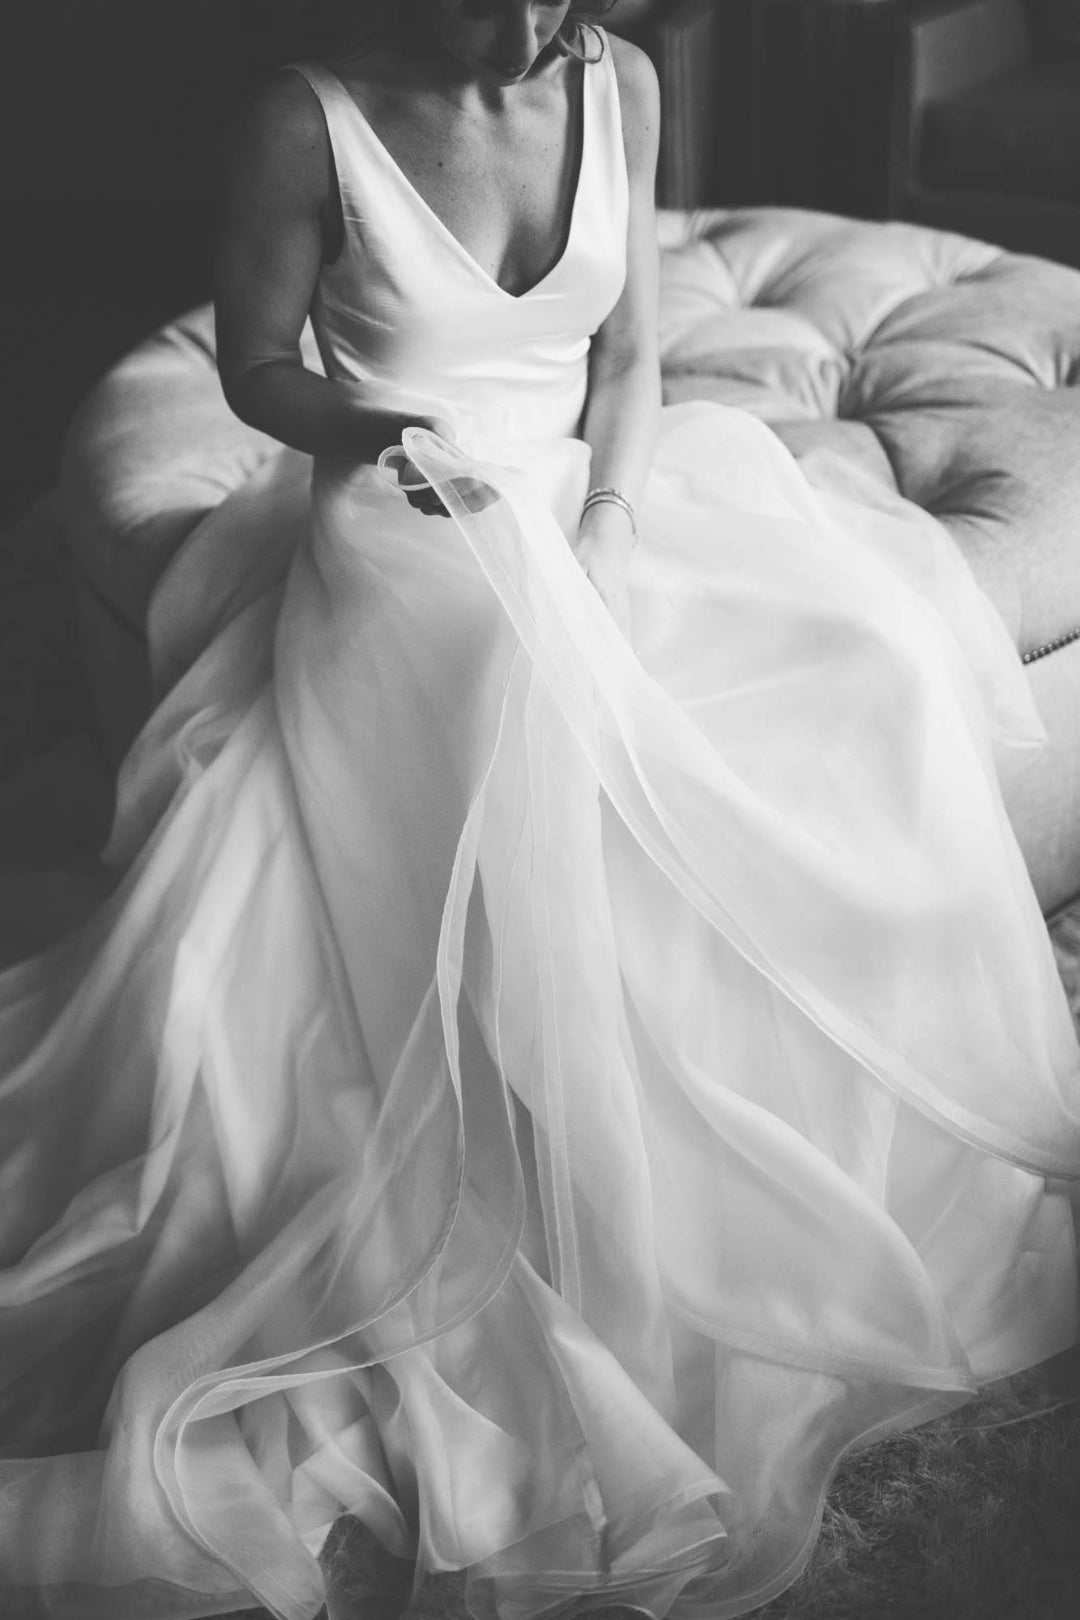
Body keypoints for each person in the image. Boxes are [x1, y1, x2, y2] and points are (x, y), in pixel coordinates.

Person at [2, 2, 1080, 1616]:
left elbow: (632, 359)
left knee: (853, 652)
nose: (520, 17)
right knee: (519, 697)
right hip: (395, 519)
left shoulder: (617, 83)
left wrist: (622, 523)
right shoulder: (309, 118)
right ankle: (548, 1188)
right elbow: (255, 367)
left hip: (588, 499)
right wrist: (382, 434)